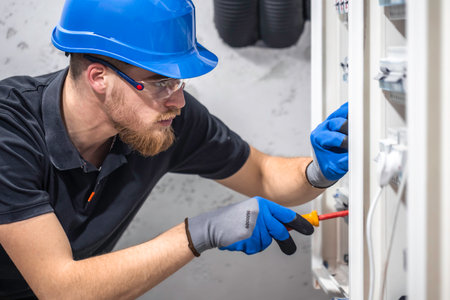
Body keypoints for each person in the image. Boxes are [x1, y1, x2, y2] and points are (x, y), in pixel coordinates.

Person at [0, 0, 349, 299]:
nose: (179, 100)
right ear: (98, 78)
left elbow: (261, 173)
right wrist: (199, 233)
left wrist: (316, 171)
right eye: (162, 82)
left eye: (179, 82)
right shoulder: (9, 134)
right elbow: (61, 290)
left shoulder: (164, 118)